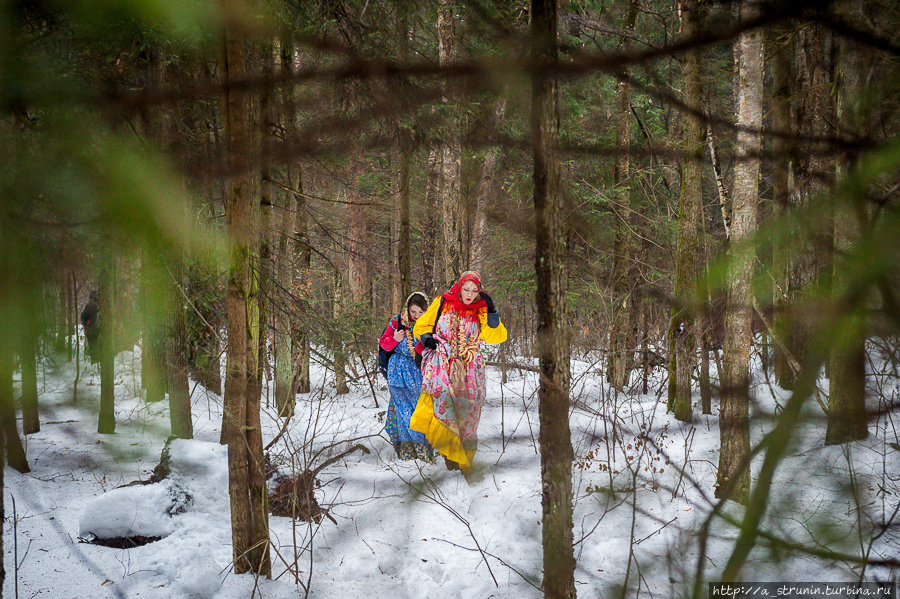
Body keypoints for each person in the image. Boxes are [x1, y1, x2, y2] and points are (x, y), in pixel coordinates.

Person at [410, 271, 507, 475]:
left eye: (474, 290)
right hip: (443, 364)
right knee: (446, 409)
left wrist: (491, 311)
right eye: (466, 289)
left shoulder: (481, 309)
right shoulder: (443, 301)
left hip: (471, 368)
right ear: (459, 287)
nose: (469, 294)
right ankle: (450, 459)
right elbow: (421, 325)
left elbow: (496, 337)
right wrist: (427, 337)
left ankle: (466, 462)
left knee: (469, 414)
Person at [379, 292, 435, 462]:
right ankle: (407, 449)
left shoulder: (431, 325)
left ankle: (423, 448)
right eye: (413, 312)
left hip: (419, 372)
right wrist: (394, 339)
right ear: (407, 310)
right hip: (397, 371)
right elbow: (383, 343)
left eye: (420, 312)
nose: (416, 316)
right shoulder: (398, 321)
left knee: (418, 410)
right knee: (402, 410)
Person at [80, 290, 101, 364]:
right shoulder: (97, 305)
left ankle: (95, 361)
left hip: (92, 329)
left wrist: (86, 323)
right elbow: (83, 317)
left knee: (93, 345)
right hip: (96, 329)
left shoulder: (91, 305)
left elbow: (83, 316)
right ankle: (95, 361)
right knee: (94, 345)